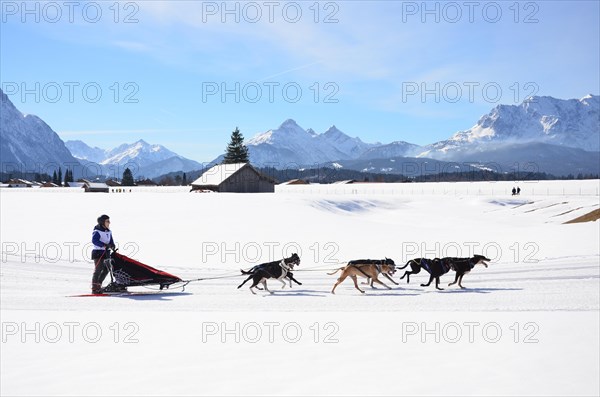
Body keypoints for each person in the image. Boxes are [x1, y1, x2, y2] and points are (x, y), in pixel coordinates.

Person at [91, 214, 115, 294]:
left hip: (106, 252)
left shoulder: (109, 231)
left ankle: (99, 284)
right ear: (102, 222)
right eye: (107, 221)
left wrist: (112, 245)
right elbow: (95, 241)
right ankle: (94, 288)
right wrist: (104, 245)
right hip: (98, 253)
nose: (109, 223)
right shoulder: (97, 231)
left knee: (108, 268)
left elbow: (111, 240)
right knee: (98, 269)